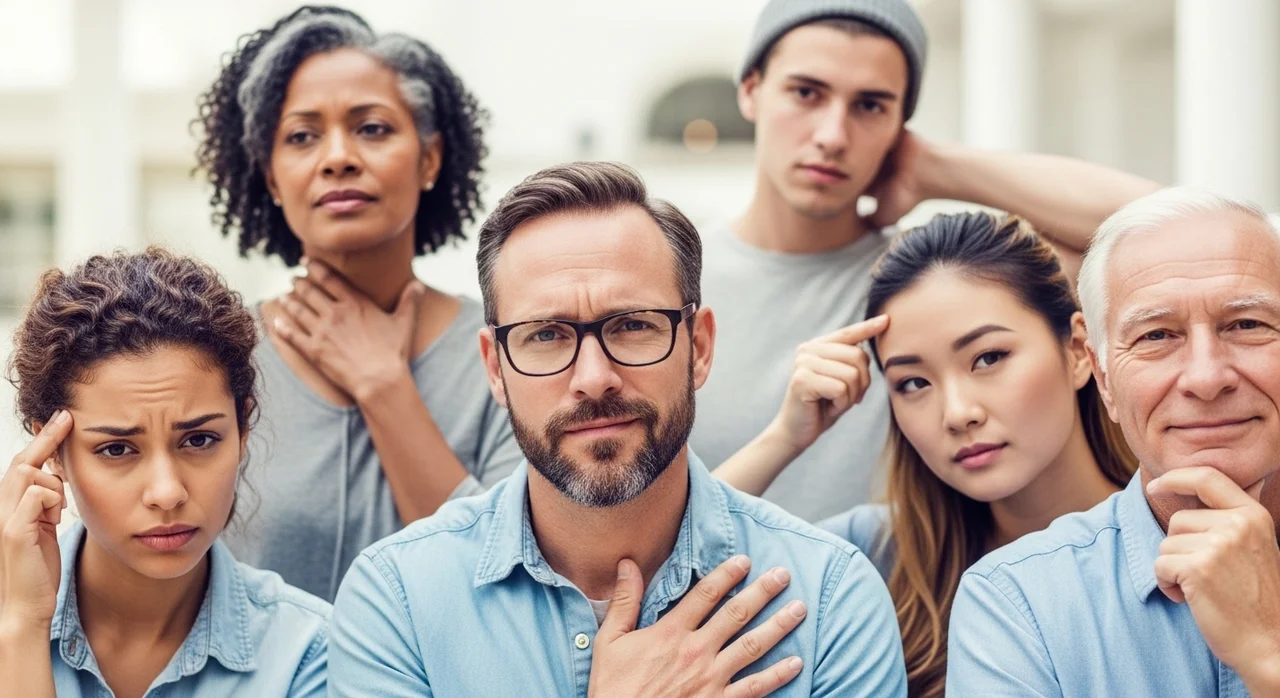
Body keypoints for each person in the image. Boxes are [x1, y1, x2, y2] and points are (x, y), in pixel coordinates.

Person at [327, 162, 907, 697]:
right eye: (547, 335)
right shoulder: (396, 599)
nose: (595, 378)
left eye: (632, 325)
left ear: (699, 347)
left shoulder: (832, 596)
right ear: (495, 368)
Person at [692, 0, 1161, 521]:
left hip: (918, 594)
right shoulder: (672, 284)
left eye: (870, 106)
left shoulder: (932, 286)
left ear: (901, 125)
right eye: (806, 93)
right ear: (751, 90)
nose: (832, 135)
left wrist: (936, 168)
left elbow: (1170, 231)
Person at [716, 212, 1138, 695]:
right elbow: (671, 557)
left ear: (1080, 351)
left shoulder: (1173, 544)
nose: (957, 414)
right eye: (913, 383)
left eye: (989, 358)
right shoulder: (875, 555)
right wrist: (784, 437)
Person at [194, 5, 522, 601]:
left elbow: (505, 577)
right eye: (302, 136)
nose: (338, 156)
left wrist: (382, 385)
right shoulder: (215, 356)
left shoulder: (512, 352)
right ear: (271, 177)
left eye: (372, 128)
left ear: (430, 158)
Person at [946, 187, 1280, 696]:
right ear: (1103, 378)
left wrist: (1266, 654)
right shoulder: (1018, 602)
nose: (1206, 377)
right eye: (1156, 335)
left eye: (1247, 324)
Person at [0, 249, 329, 697]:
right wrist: (22, 627)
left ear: (242, 429)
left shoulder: (310, 653)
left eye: (198, 440)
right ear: (52, 452)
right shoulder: (11, 625)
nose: (167, 492)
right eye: (117, 449)